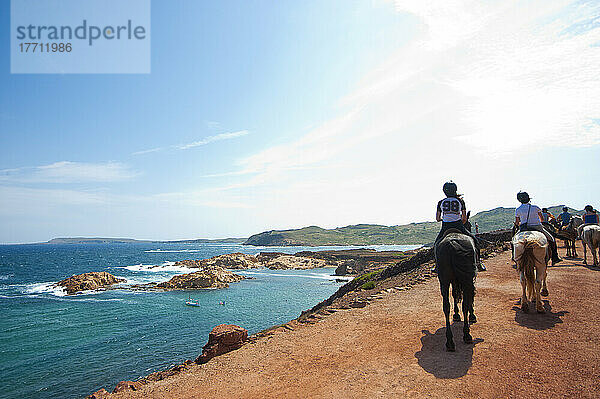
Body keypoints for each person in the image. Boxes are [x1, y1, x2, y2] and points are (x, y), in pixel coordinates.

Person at [434, 181, 485, 271]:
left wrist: (444, 218)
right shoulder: (460, 201)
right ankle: (478, 263)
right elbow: (464, 219)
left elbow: (437, 218)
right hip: (458, 225)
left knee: (436, 245)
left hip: (445, 227)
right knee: (475, 242)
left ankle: (437, 265)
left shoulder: (440, 202)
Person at [514, 191, 561, 264]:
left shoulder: (518, 209)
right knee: (551, 239)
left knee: (514, 240)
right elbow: (541, 219)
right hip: (537, 227)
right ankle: (555, 258)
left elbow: (517, 222)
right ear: (528, 198)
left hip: (524, 229)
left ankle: (515, 258)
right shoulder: (535, 207)